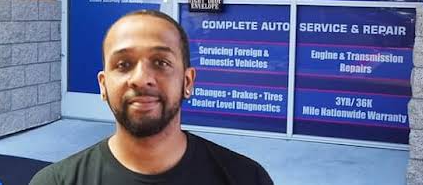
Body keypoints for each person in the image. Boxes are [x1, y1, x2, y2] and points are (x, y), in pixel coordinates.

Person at [29, 9, 274, 185]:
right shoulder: (56, 182)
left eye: (160, 62)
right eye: (123, 64)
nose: (141, 78)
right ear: (103, 86)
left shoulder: (246, 178)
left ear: (187, 82)